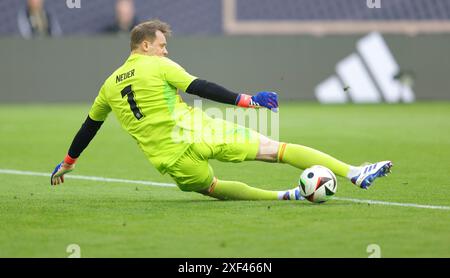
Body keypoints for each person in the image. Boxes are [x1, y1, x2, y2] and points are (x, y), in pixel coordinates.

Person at [50, 20, 392, 201]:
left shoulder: (109, 86)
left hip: (169, 157)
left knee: (211, 188)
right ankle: (353, 172)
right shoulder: (158, 67)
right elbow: (200, 87)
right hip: (200, 131)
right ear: (145, 45)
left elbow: (90, 126)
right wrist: (247, 100)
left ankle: (286, 196)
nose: (166, 51)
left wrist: (68, 163)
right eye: (162, 45)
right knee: (278, 151)